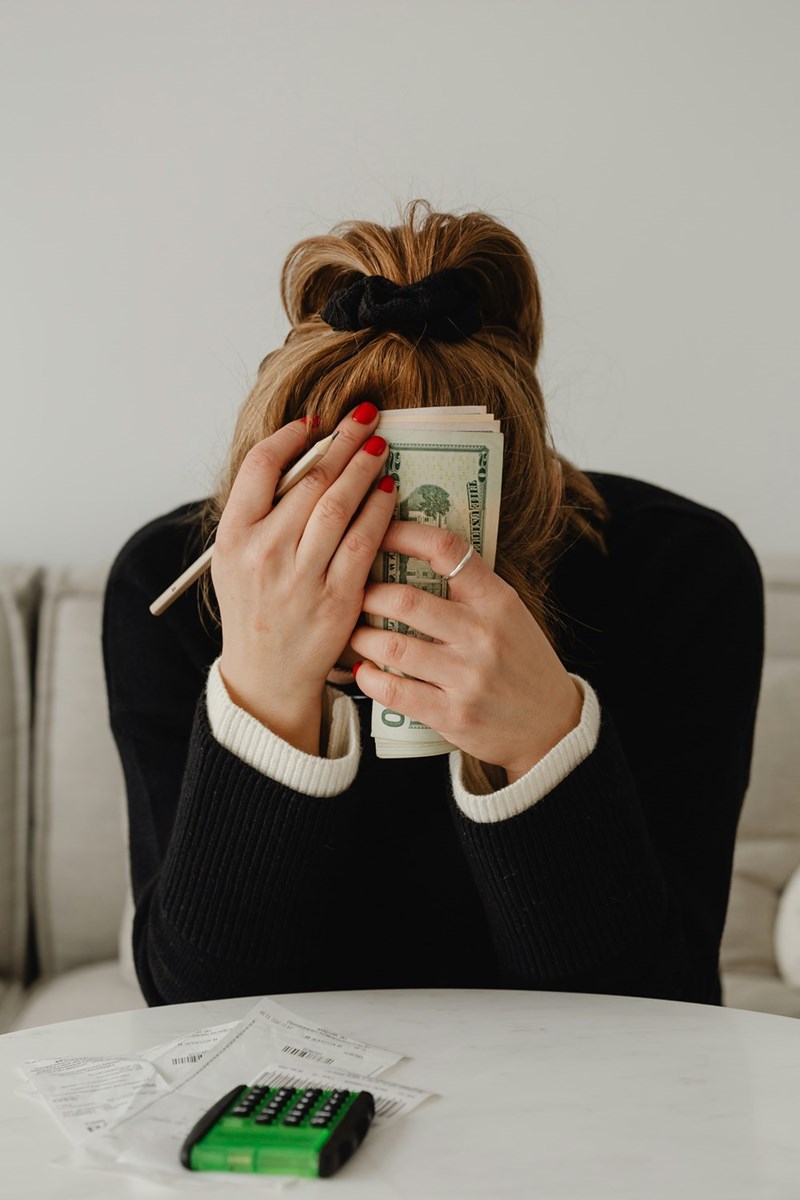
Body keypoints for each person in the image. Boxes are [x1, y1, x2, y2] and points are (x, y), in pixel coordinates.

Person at [102, 198, 764, 1009]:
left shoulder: (682, 571)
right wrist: (262, 702)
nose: (376, 553)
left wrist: (545, 743)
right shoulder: (167, 584)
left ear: (516, 485)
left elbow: (666, 1005)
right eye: (338, 510)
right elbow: (191, 1007)